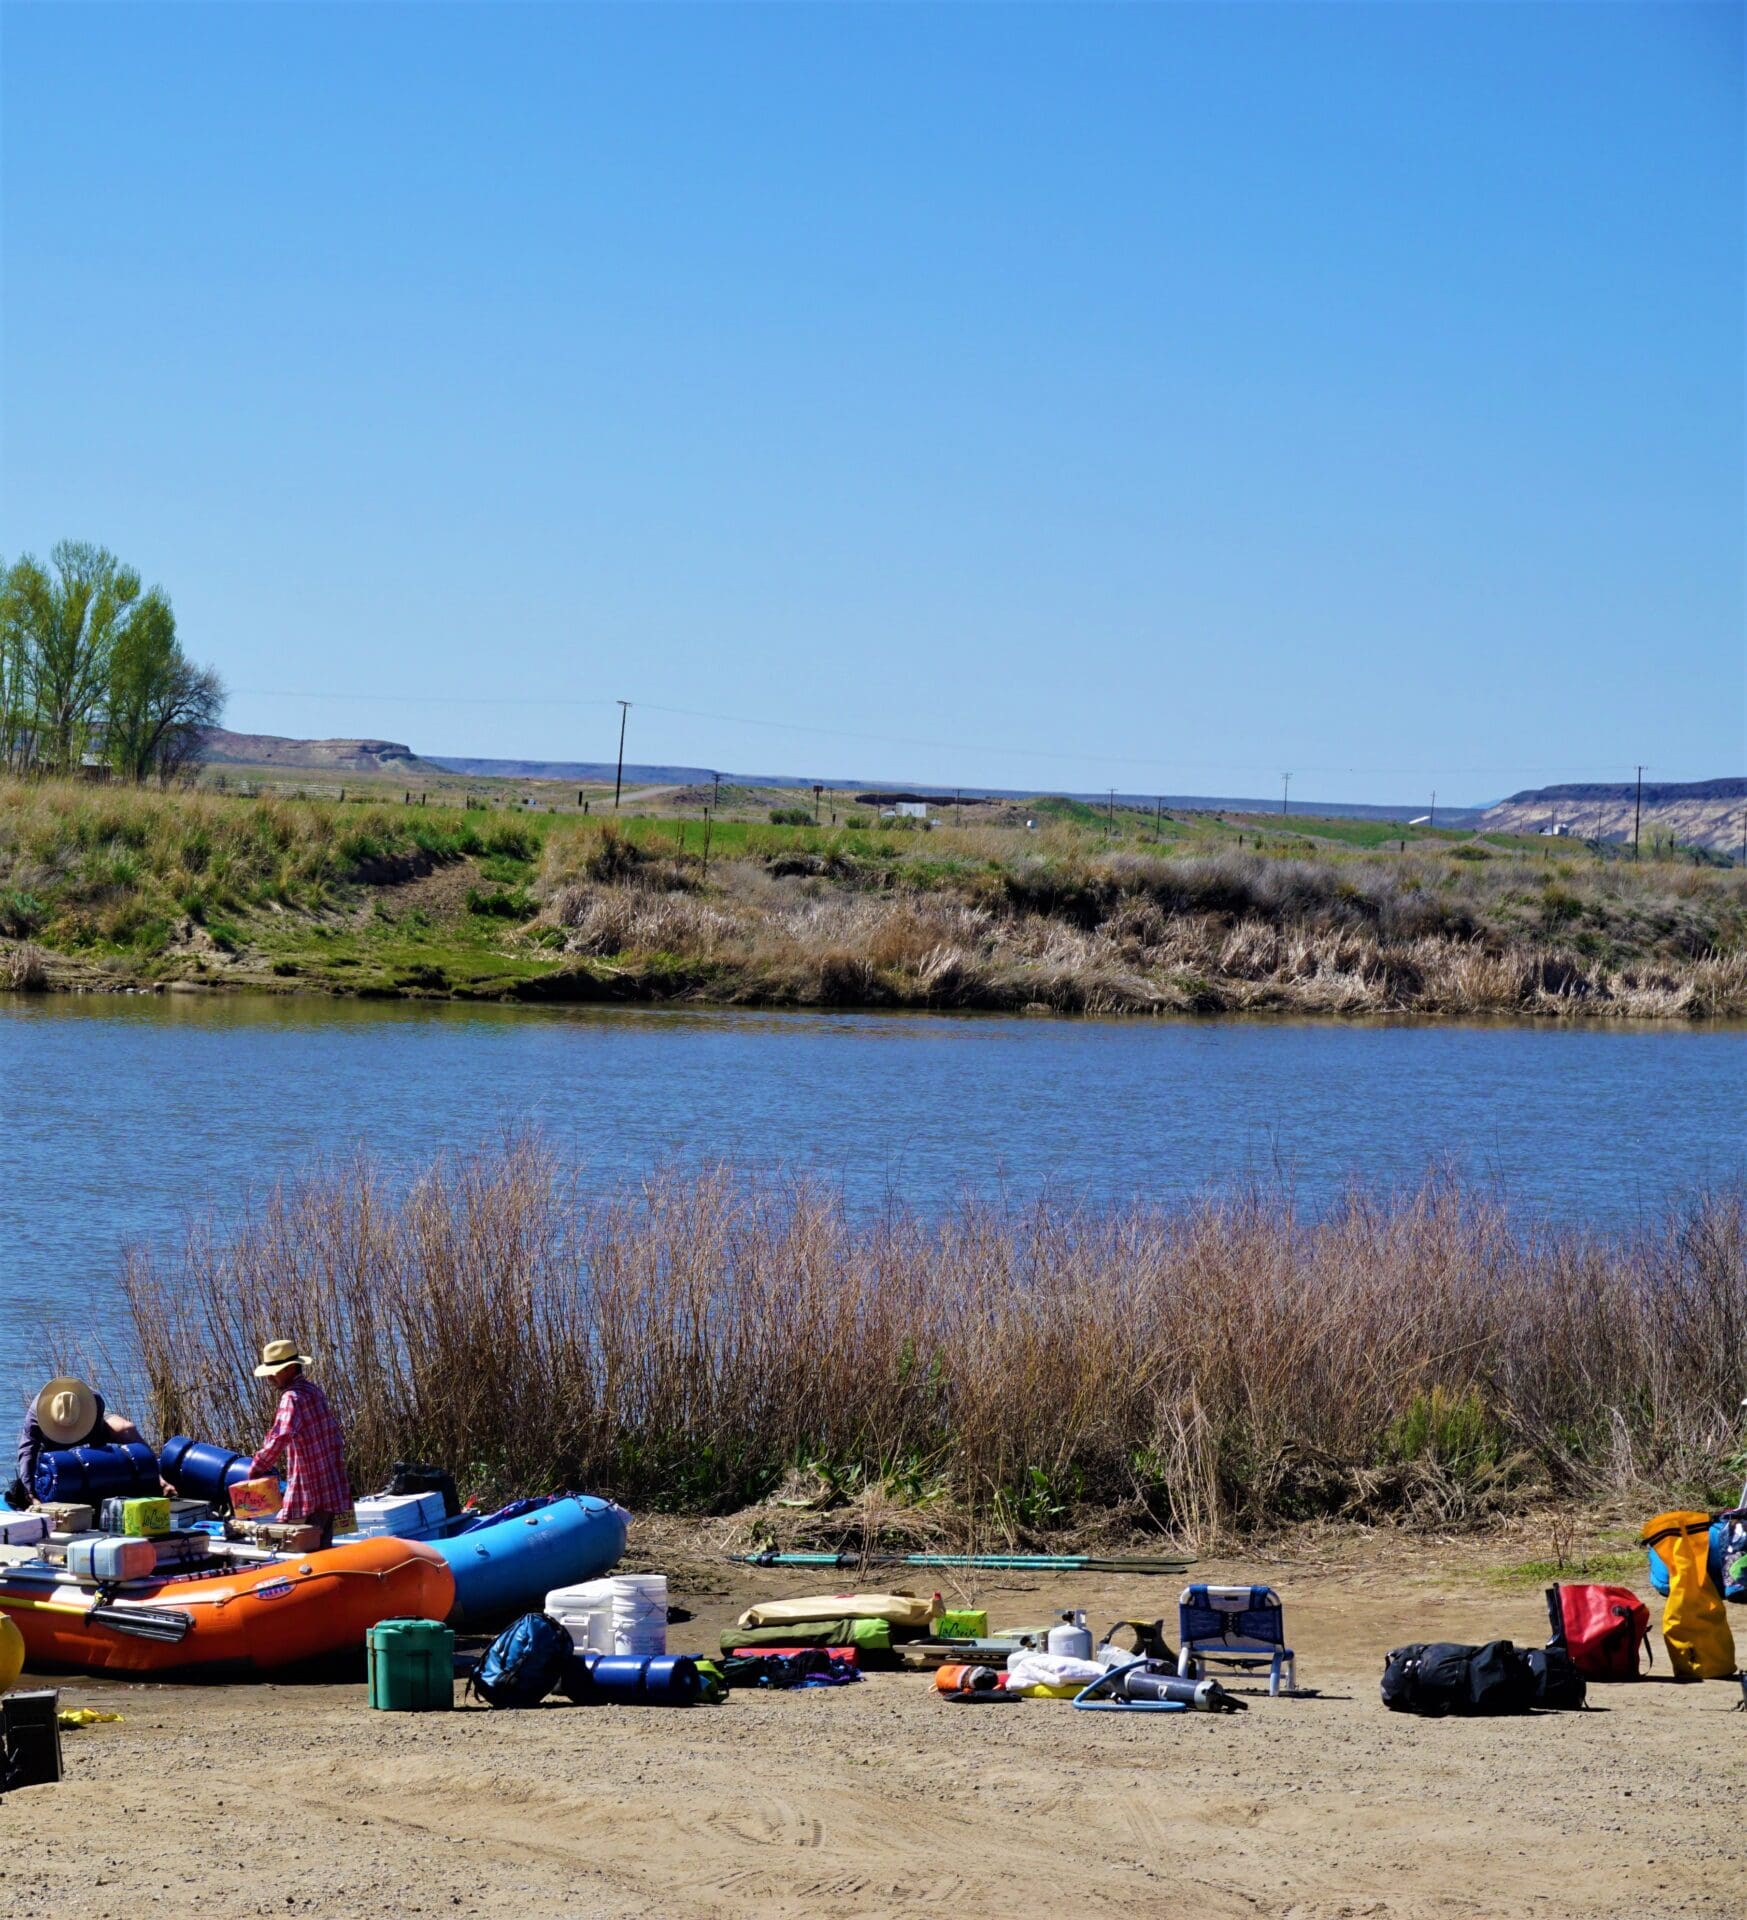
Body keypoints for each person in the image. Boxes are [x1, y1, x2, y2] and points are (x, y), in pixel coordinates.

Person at [247, 1340, 350, 1548]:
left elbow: (280, 1437)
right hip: (330, 1490)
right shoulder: (314, 1391)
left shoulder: (291, 1398)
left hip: (308, 1495)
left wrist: (257, 1468)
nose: (269, 1377)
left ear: (290, 1368)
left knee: (299, 1552)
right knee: (324, 1548)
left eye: (274, 1372)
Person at [9, 1376, 144, 1509]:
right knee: (48, 1475)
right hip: (51, 1444)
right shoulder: (36, 1413)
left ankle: (157, 1475)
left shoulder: (94, 1401)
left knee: (127, 1429)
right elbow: (27, 1452)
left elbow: (97, 1447)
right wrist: (30, 1493)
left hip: (89, 1426)